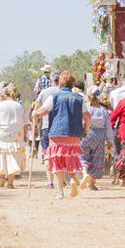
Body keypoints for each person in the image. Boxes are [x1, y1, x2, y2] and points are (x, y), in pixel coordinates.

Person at [32, 71, 91, 200]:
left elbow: (44, 111)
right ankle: (73, 179)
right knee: (71, 158)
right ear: (72, 84)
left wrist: (35, 113)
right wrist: (85, 130)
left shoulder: (54, 96)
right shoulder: (79, 98)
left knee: (57, 162)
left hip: (57, 132)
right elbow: (87, 117)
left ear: (60, 83)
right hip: (74, 134)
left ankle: (60, 192)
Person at [0, 83, 30, 188]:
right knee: (13, 156)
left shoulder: (0, 105)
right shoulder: (19, 106)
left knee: (1, 155)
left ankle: (1, 178)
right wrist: (25, 135)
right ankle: (10, 182)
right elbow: (26, 123)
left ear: (5, 95)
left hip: (2, 133)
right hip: (17, 133)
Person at [80, 86, 114, 191]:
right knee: (97, 158)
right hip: (99, 136)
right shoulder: (103, 110)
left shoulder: (85, 107)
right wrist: (110, 140)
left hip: (86, 134)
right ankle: (92, 184)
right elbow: (108, 126)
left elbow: (82, 121)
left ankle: (85, 173)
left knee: (84, 156)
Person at [33, 72, 61, 189]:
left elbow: (36, 110)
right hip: (60, 127)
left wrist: (34, 126)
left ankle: (50, 181)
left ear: (50, 81)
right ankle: (60, 179)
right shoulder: (62, 92)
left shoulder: (44, 92)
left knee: (47, 155)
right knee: (59, 154)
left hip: (45, 126)